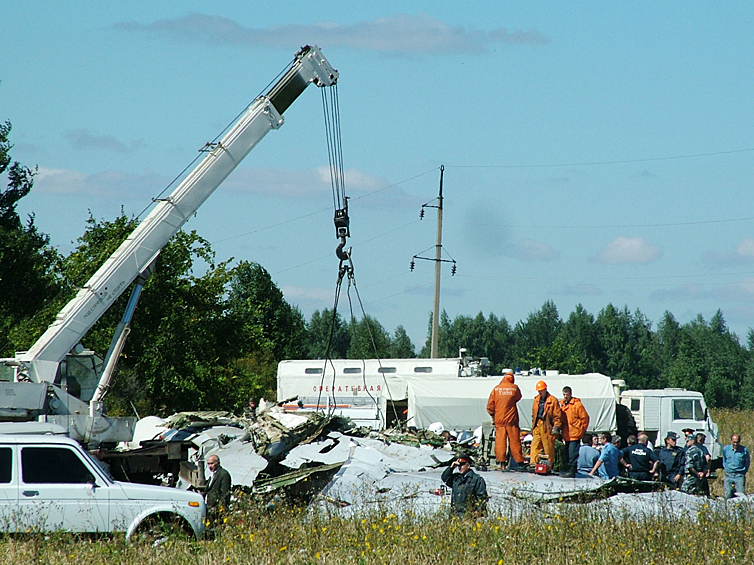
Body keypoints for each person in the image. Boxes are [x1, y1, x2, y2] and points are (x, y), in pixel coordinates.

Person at [487, 369, 526, 470]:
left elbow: (490, 406)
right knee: (515, 441)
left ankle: (502, 463)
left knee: (500, 441)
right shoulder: (514, 388)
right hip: (511, 420)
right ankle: (519, 462)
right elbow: (518, 397)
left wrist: (493, 415)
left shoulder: (496, 389)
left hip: (499, 420)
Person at [530, 380, 563, 469]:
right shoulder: (536, 400)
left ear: (545, 389)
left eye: (541, 390)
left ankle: (547, 467)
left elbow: (557, 416)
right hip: (538, 425)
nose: (540, 392)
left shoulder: (553, 400)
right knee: (535, 446)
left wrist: (556, 427)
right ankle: (534, 464)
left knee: (548, 448)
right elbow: (533, 414)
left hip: (547, 427)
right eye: (539, 391)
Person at [559, 386, 590, 478]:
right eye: (564, 394)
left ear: (571, 394)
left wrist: (582, 430)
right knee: (567, 453)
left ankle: (572, 470)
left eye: (567, 394)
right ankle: (568, 469)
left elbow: (585, 418)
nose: (565, 396)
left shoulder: (577, 405)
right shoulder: (563, 405)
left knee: (573, 453)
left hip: (575, 434)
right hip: (566, 434)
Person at [722, 433, 750, 500]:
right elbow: (724, 460)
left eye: (737, 442)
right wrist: (726, 468)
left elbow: (747, 462)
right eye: (734, 442)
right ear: (731, 441)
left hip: (739, 475)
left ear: (739, 441)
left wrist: (743, 472)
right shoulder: (726, 449)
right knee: (727, 495)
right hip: (728, 474)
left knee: (741, 496)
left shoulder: (744, 450)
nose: (735, 444)